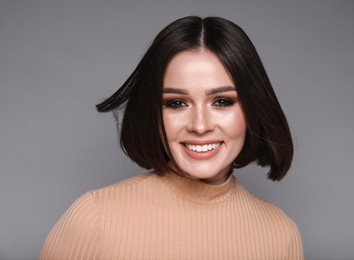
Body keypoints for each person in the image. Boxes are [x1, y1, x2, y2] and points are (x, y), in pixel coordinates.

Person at [40, 16, 304, 259]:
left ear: (253, 109)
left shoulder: (280, 235)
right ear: (153, 112)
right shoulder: (94, 218)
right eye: (177, 103)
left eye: (222, 101)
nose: (200, 126)